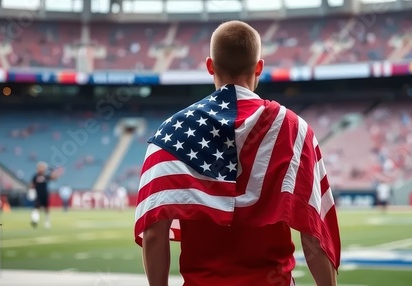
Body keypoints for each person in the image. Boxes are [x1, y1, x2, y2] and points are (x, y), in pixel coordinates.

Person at [134, 20, 341, 286]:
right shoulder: (293, 129)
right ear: (259, 68)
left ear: (210, 66)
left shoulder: (171, 133)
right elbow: (314, 233)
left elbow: (154, 233)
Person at [31, 162, 62, 228]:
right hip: (38, 194)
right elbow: (32, 184)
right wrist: (31, 191)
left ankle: (47, 221)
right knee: (37, 207)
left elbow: (54, 178)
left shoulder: (45, 176)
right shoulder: (35, 176)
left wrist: (53, 171)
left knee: (46, 209)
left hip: (44, 194)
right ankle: (35, 220)